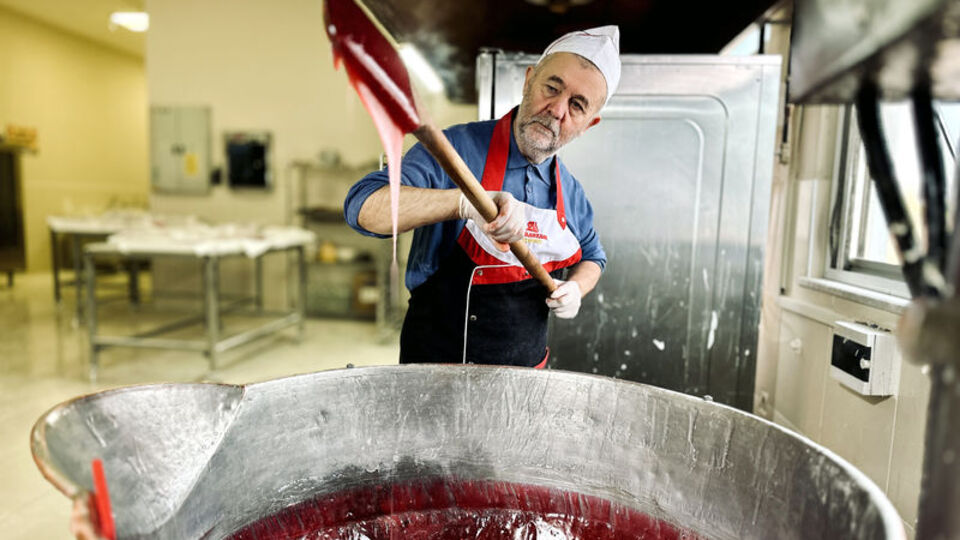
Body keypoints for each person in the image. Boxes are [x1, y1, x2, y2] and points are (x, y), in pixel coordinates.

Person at [344, 26, 620, 368]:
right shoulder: (456, 151)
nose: (557, 109)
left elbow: (594, 256)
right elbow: (362, 208)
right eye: (552, 87)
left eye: (577, 105)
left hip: (523, 386)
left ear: (588, 124)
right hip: (435, 380)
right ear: (529, 80)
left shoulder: (571, 192)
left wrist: (577, 288)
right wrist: (462, 204)